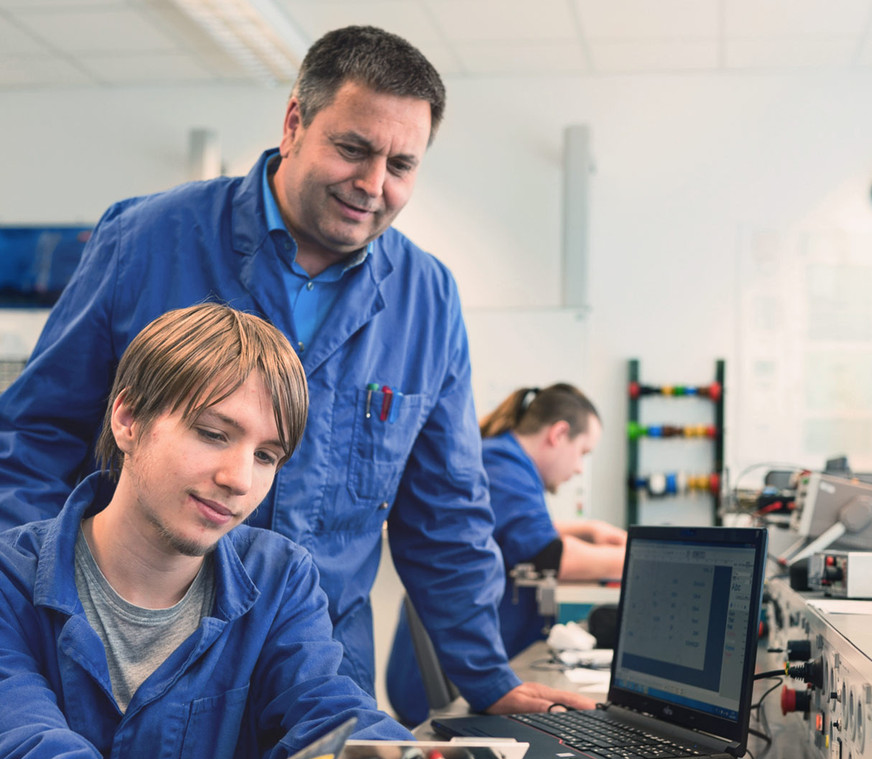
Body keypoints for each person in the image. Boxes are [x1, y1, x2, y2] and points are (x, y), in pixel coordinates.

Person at [0, 26, 590, 719]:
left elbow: (447, 514)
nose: (373, 185)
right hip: (130, 655)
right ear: (294, 123)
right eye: (353, 149)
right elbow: (36, 441)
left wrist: (490, 680)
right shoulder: (147, 240)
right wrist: (36, 612)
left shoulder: (426, 299)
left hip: (320, 667)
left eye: (401, 165)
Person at [0, 304, 498, 759]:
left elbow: (327, 718)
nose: (239, 479)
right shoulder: (9, 581)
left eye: (267, 455)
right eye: (213, 433)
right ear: (128, 419)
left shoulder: (280, 579)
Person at [387, 384, 626, 725]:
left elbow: (503, 531)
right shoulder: (502, 465)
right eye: (583, 453)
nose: (578, 469)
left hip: (460, 674)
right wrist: (639, 558)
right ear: (559, 434)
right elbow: (546, 555)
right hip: (452, 689)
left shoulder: (505, 460)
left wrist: (588, 529)